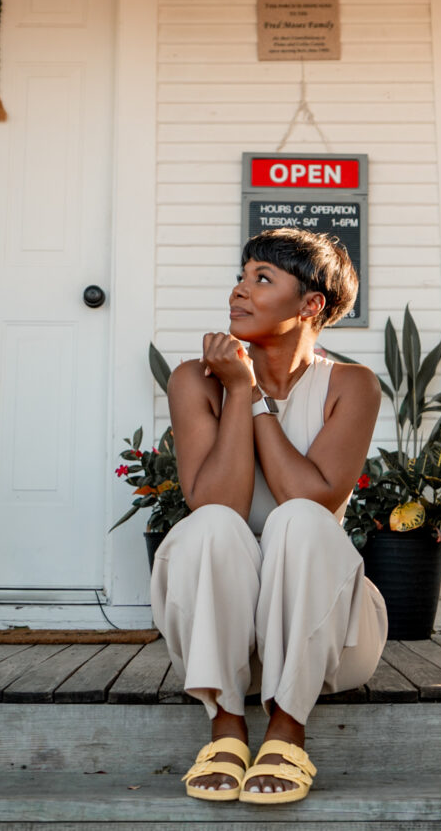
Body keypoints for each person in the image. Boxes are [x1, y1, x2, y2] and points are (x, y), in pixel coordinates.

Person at [153, 227, 386, 806]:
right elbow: (219, 504)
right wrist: (236, 391)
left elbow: (315, 495)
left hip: (327, 639)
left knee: (299, 519)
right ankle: (227, 725)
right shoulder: (195, 380)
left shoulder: (350, 385)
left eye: (262, 278)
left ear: (312, 305)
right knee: (208, 525)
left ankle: (287, 730)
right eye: (241, 276)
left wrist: (254, 397)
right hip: (221, 642)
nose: (239, 291)